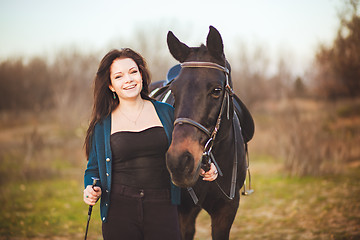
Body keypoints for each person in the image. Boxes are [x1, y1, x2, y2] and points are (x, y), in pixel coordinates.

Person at [83, 48, 218, 240]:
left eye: (133, 72)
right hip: (118, 209)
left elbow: (188, 146)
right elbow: (93, 170)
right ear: (111, 86)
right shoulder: (102, 124)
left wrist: (206, 164)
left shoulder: (167, 112)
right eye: (119, 76)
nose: (128, 80)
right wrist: (90, 188)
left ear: (141, 75)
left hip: (163, 205)